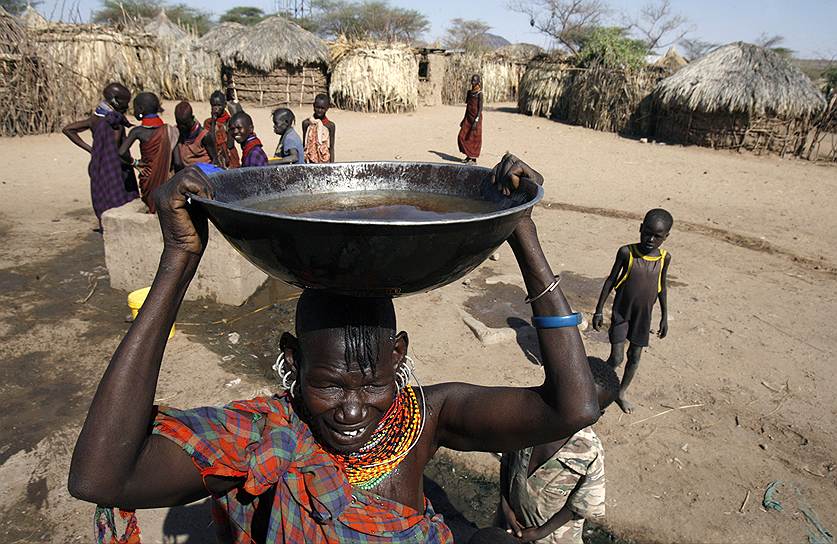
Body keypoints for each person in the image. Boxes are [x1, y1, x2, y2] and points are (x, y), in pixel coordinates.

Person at [68, 154, 601, 543]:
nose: (352, 410)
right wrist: (179, 258)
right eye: (327, 384)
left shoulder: (425, 418)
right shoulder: (266, 436)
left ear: (398, 357)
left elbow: (572, 407)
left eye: (372, 383)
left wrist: (520, 228)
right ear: (292, 363)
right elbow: (103, 476)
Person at [496, 357, 619, 544]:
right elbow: (506, 460)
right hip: (509, 521)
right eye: (572, 399)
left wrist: (540, 533)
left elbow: (580, 505)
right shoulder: (526, 421)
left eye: (585, 407)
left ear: (598, 414)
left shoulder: (589, 452)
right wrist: (505, 506)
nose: (574, 412)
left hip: (553, 537)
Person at [592, 209, 673, 414]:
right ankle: (599, 389)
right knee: (617, 358)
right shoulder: (627, 253)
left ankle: (621, 392)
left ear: (666, 237)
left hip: (643, 317)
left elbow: (661, 287)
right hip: (622, 314)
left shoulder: (664, 258)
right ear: (640, 228)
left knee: (634, 357)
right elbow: (610, 280)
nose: (650, 239)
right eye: (647, 233)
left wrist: (664, 316)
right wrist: (599, 310)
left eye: (657, 236)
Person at [62, 82, 138, 231]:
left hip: (99, 163)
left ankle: (107, 225)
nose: (127, 106)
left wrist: (92, 150)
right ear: (115, 100)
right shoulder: (114, 122)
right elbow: (118, 148)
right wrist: (134, 162)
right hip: (115, 166)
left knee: (103, 194)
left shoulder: (95, 118)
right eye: (125, 102)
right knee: (120, 198)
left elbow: (68, 129)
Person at [118, 92, 178, 214]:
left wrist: (136, 163)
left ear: (141, 109)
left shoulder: (137, 131)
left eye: (135, 108)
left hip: (148, 176)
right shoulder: (169, 130)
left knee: (150, 202)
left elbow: (122, 152)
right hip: (166, 177)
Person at [173, 101, 216, 171]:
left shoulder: (204, 136)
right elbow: (177, 163)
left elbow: (215, 160)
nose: (182, 127)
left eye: (185, 124)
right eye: (179, 123)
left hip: (204, 174)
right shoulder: (176, 133)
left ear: (192, 118)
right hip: (185, 174)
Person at [203, 90, 240, 169]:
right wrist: (213, 121)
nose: (216, 108)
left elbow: (230, 144)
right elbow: (210, 142)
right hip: (215, 156)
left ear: (225, 105)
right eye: (214, 105)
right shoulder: (208, 123)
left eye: (219, 105)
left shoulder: (229, 121)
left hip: (230, 157)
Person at [302, 93, 336, 163]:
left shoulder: (330, 125)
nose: (319, 110)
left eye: (322, 108)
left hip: (324, 160)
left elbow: (331, 148)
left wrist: (332, 165)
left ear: (327, 108)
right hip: (309, 161)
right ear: (313, 106)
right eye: (317, 107)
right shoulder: (306, 123)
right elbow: (304, 145)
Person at [458, 74, 483, 163]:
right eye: (472, 80)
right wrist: (464, 119)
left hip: (476, 119)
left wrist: (476, 121)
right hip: (468, 118)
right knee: (462, 136)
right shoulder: (469, 93)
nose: (472, 82)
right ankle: (468, 156)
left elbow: (480, 109)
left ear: (478, 82)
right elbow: (468, 107)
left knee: (474, 138)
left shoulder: (480, 94)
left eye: (474, 80)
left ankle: (473, 158)